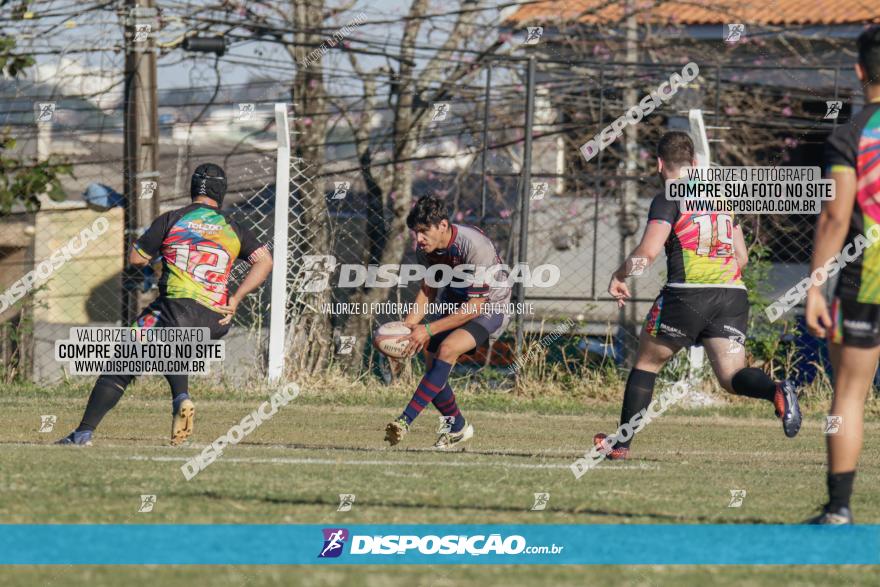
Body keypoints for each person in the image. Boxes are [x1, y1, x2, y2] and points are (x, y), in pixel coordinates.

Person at [595, 131, 801, 459]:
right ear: (694, 163)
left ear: (661, 164)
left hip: (687, 295)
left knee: (647, 364)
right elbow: (742, 257)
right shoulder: (720, 196)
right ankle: (777, 389)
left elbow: (647, 253)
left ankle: (621, 444)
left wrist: (620, 275)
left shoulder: (668, 197)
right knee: (732, 376)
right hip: (732, 294)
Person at [57, 163, 273, 446]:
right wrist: (237, 297)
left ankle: (88, 431)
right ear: (221, 193)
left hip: (177, 308)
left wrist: (156, 249)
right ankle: (176, 399)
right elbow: (265, 261)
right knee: (162, 346)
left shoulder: (172, 219)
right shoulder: (233, 228)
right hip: (217, 317)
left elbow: (136, 258)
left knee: (124, 360)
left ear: (192, 189)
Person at [804, 25, 880, 525]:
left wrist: (813, 284)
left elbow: (836, 215)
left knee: (848, 397)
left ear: (858, 71)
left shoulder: (850, 134)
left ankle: (838, 510)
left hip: (866, 280)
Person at [384, 196, 511, 449]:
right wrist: (407, 331)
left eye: (423, 231)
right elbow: (428, 289)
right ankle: (456, 427)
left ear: (443, 225)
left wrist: (428, 329)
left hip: (489, 306)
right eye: (415, 232)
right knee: (433, 363)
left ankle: (405, 420)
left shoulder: (475, 246)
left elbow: (475, 307)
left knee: (447, 349)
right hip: (455, 302)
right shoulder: (425, 250)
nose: (418, 239)